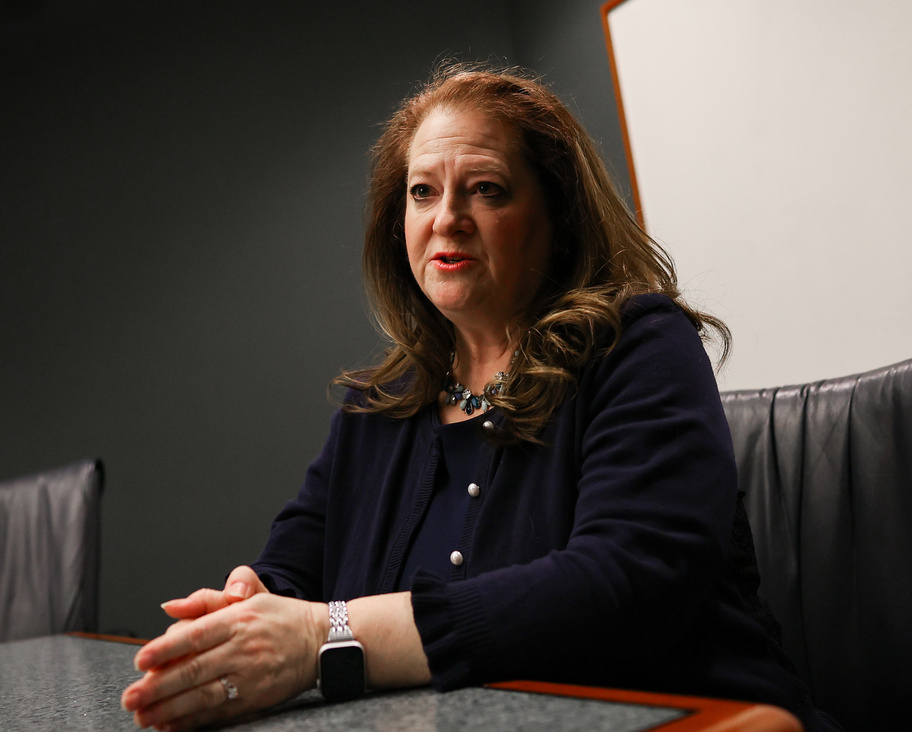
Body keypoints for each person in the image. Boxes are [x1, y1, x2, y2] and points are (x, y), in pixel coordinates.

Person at [121, 65, 840, 732]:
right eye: (422, 191)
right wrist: (248, 607)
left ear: (557, 219)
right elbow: (294, 571)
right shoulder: (379, 407)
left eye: (488, 189)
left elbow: (626, 583)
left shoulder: (639, 348)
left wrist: (322, 637)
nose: (447, 218)